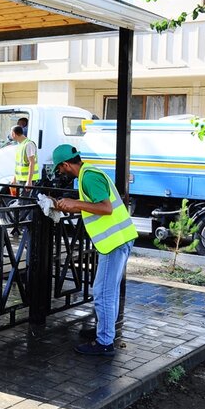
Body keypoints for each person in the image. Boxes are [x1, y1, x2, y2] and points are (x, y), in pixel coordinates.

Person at [52, 144, 137, 357]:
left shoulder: (89, 177)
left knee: (103, 293)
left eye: (59, 169)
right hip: (119, 240)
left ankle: (105, 342)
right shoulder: (89, 174)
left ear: (65, 164)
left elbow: (106, 208)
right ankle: (105, 330)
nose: (59, 173)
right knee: (110, 290)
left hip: (114, 243)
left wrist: (76, 203)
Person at [11, 125, 37, 192]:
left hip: (27, 180)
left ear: (14, 134)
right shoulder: (20, 145)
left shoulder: (28, 144)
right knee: (22, 201)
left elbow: (32, 162)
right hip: (22, 179)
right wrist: (15, 178)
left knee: (23, 201)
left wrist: (29, 181)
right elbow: (18, 165)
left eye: (11, 134)